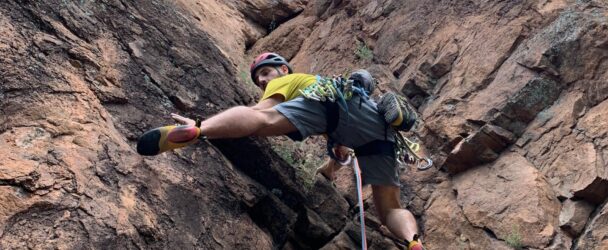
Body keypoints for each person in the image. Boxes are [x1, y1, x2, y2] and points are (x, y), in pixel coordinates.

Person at [137, 52, 424, 250]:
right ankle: (413, 241)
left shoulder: (289, 79)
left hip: (329, 99)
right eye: (260, 78)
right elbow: (342, 144)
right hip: (378, 128)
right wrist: (331, 167)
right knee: (390, 208)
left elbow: (262, 112)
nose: (263, 81)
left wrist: (205, 124)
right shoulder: (335, 102)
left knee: (262, 118)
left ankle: (197, 131)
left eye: (265, 73)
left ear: (283, 69)